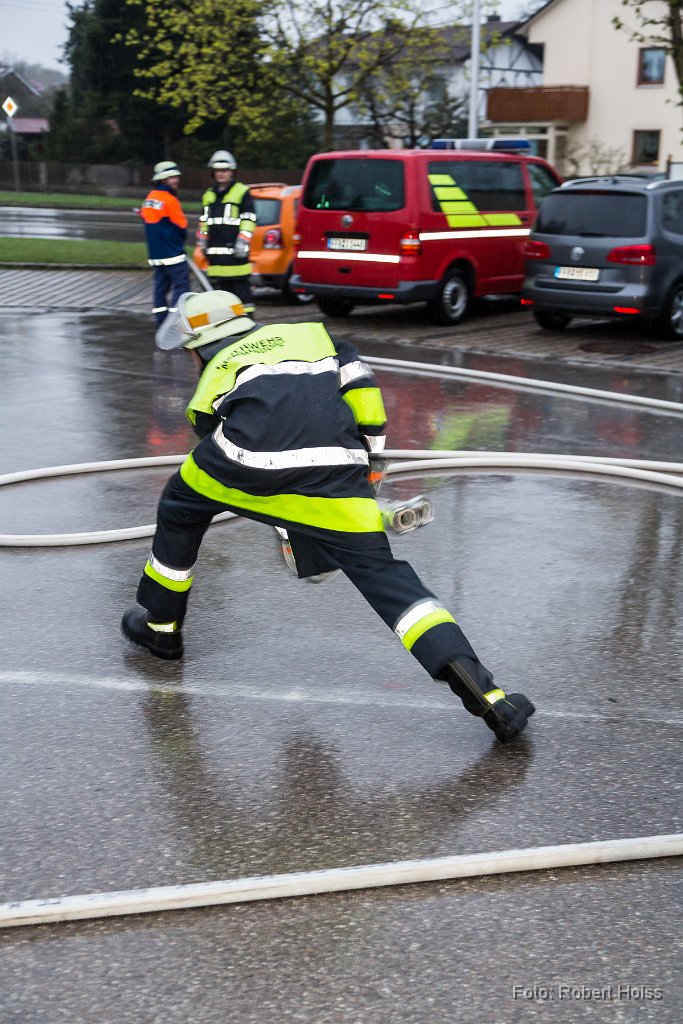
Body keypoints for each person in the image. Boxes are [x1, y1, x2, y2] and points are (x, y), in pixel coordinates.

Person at [121, 290, 535, 744]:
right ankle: (491, 699)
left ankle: (162, 629)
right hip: (337, 464)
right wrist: (369, 467)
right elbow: (364, 393)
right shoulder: (313, 336)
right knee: (389, 580)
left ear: (200, 344)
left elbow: (205, 424)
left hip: (245, 461)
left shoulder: (218, 365)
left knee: (180, 506)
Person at [196, 150, 256, 313]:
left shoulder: (242, 191)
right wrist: (202, 239)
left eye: (224, 170)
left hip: (236, 256)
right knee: (221, 300)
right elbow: (204, 221)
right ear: (213, 173)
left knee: (242, 298)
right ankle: (228, 325)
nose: (221, 174)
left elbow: (248, 218)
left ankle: (248, 323)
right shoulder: (208, 195)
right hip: (216, 258)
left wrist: (243, 241)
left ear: (232, 172)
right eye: (217, 171)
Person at [140, 161, 191, 327]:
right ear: (164, 179)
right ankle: (175, 323)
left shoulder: (149, 199)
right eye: (173, 177)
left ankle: (161, 322)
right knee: (182, 287)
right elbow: (181, 226)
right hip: (173, 253)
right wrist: (179, 241)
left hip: (156, 255)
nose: (177, 180)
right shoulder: (169, 199)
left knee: (160, 289)